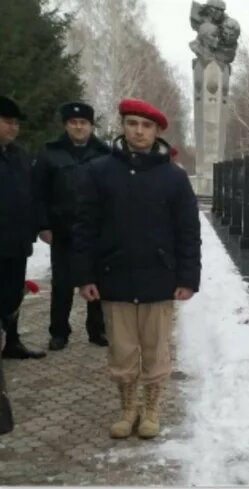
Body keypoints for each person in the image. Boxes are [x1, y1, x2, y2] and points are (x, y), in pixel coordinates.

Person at [72, 98, 201, 440]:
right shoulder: (99, 171)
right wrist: (85, 275)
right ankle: (127, 409)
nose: (139, 131)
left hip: (159, 278)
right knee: (122, 350)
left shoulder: (173, 177)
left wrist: (187, 277)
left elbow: (188, 230)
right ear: (123, 127)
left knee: (156, 350)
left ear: (157, 131)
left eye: (146, 126)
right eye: (132, 124)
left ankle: (152, 409)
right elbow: (85, 226)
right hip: (115, 278)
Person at [35, 101, 111, 351]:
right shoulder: (50, 153)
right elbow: (39, 193)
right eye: (73, 123)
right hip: (62, 230)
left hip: (95, 231)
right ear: (66, 125)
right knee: (62, 284)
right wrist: (43, 226)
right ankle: (59, 332)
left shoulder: (104, 153)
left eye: (84, 123)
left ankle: (97, 330)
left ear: (91, 126)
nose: (79, 127)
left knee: (97, 281)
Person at [0, 96, 46, 360]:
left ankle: (11, 341)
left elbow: (32, 194)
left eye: (16, 123)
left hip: (16, 243)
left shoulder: (19, 155)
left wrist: (36, 227)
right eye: (7, 122)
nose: (13, 127)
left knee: (13, 296)